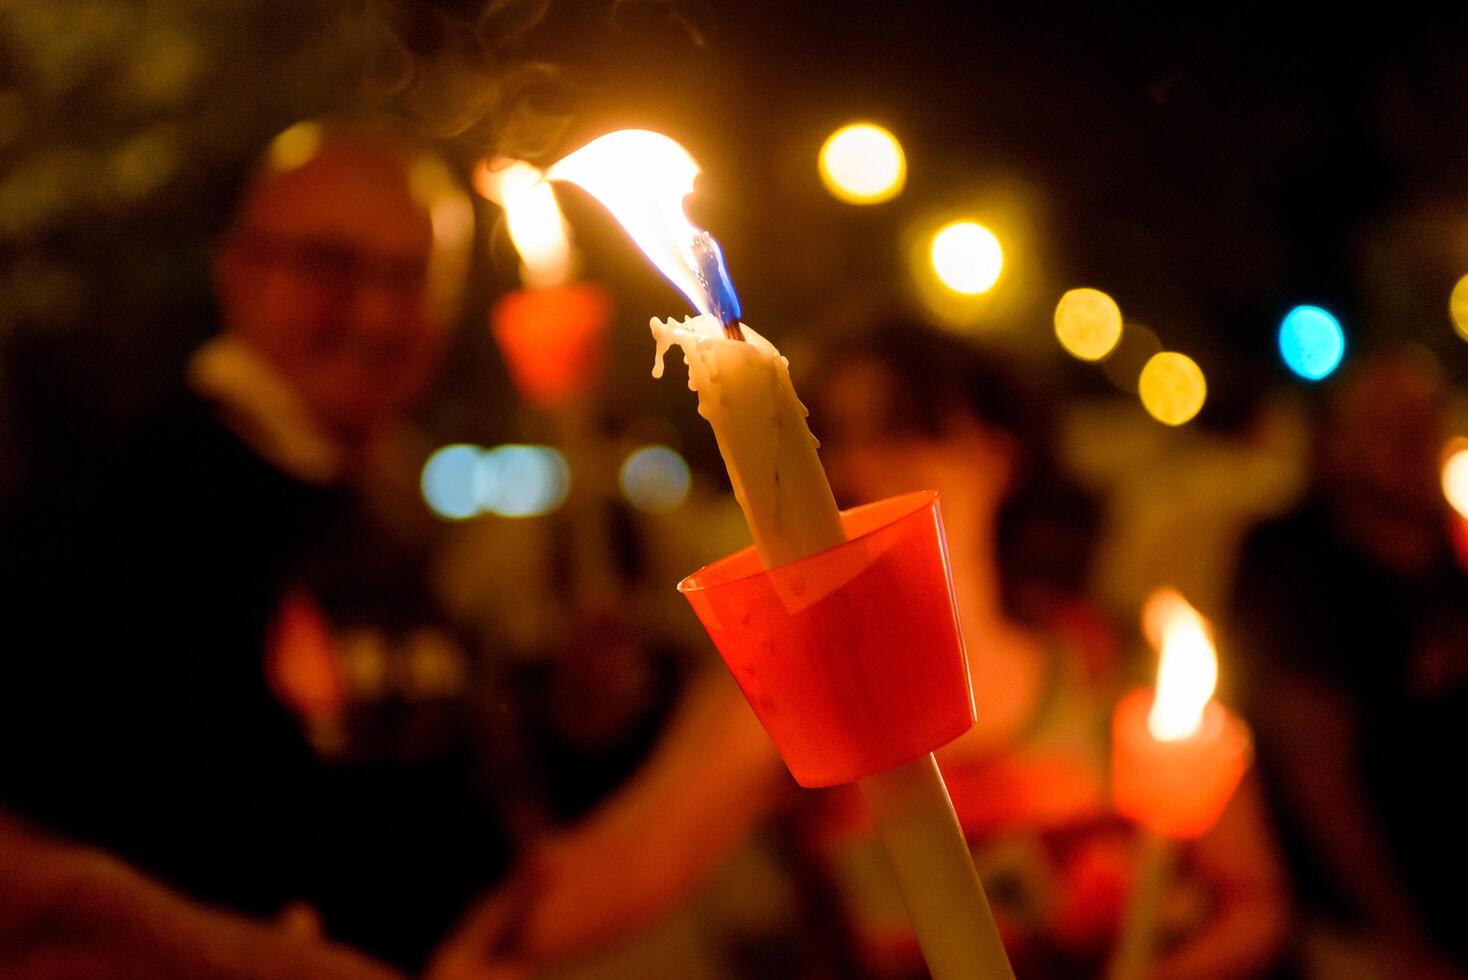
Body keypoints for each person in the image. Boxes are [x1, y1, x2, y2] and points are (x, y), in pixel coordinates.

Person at [436, 320, 1289, 980]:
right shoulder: (794, 697)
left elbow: (1254, 905)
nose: (855, 467)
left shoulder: (1124, 668)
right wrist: (467, 940)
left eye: (904, 429)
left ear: (1000, 451)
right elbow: (630, 864)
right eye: (830, 437)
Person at [0, 119, 505, 977]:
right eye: (331, 267)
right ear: (238, 272)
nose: (378, 314)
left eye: (412, 278)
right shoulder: (114, 507)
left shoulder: (387, 509)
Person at [1229, 350, 1468, 979]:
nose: (1411, 442)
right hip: (1365, 932)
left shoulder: (1449, 549)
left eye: (1425, 419)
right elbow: (1317, 771)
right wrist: (1404, 941)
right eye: (1384, 424)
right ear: (1334, 441)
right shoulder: (1292, 564)